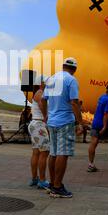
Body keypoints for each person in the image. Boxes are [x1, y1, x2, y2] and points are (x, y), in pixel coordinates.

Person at [41, 58, 84, 198]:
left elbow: (43, 99)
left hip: (52, 122)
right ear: (74, 69)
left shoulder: (52, 79)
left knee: (53, 153)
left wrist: (46, 115)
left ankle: (53, 184)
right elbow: (74, 102)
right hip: (65, 121)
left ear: (63, 66)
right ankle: (58, 186)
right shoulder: (71, 80)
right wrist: (80, 122)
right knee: (63, 153)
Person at [28, 78, 50, 190]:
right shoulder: (40, 92)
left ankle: (34, 178)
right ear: (41, 83)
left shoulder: (37, 92)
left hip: (34, 123)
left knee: (36, 152)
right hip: (39, 124)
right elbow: (42, 105)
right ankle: (42, 180)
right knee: (44, 152)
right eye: (46, 83)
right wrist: (46, 117)